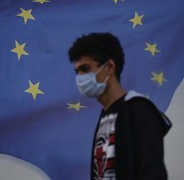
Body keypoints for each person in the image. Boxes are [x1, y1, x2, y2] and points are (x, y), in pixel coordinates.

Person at [68, 32, 172, 180]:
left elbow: (152, 172)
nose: (79, 78)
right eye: (77, 71)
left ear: (110, 66)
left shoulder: (138, 109)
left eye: (85, 69)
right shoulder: (105, 114)